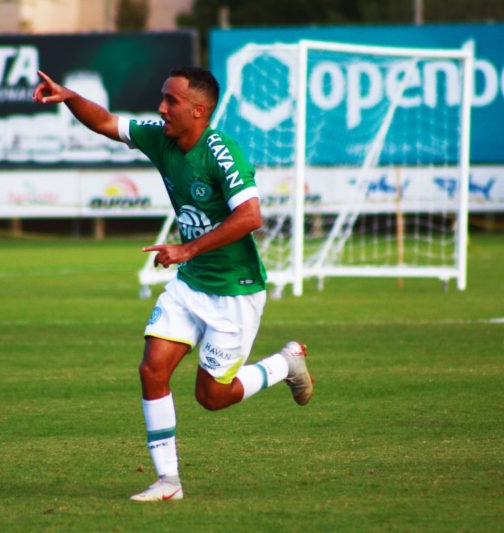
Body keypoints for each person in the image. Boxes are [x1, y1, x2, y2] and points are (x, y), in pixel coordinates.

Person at [32, 66, 314, 502]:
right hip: (190, 286)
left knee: (213, 397)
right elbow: (108, 123)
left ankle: (285, 364)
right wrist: (68, 96)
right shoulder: (161, 138)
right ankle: (168, 482)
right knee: (152, 369)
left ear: (199, 110)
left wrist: (187, 248)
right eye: (162, 98)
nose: (161, 108)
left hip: (235, 291)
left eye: (171, 101)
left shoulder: (222, 152)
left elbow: (251, 217)